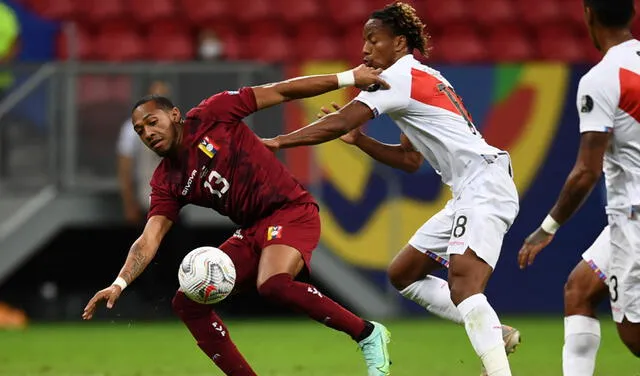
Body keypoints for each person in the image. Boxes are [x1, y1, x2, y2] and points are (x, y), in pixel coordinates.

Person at [82, 65, 393, 376]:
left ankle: (367, 333)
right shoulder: (166, 181)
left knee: (273, 284)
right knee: (186, 303)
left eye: (152, 122)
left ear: (174, 115)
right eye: (140, 130)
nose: (148, 133)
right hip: (252, 229)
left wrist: (349, 78)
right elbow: (149, 238)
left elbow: (283, 90)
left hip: (291, 210)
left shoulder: (213, 113)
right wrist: (119, 282)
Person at [264, 3, 520, 375]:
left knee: (464, 284)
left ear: (399, 42)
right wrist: (361, 141)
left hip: (484, 182)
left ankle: (497, 367)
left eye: (374, 40)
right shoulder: (419, 77)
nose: (365, 50)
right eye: (363, 41)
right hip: (471, 188)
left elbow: (340, 120)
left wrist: (279, 142)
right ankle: (495, 333)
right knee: (404, 273)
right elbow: (409, 159)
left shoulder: (399, 78)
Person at [518, 0, 640, 366]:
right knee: (580, 289)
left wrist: (548, 226)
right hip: (627, 219)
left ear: (588, 14)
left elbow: (587, 170)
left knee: (634, 336)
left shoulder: (602, 79)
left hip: (633, 218)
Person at [116, 80, 167, 225]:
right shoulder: (131, 129)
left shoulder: (175, 126)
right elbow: (124, 169)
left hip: (174, 203)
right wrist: (129, 203)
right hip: (146, 202)